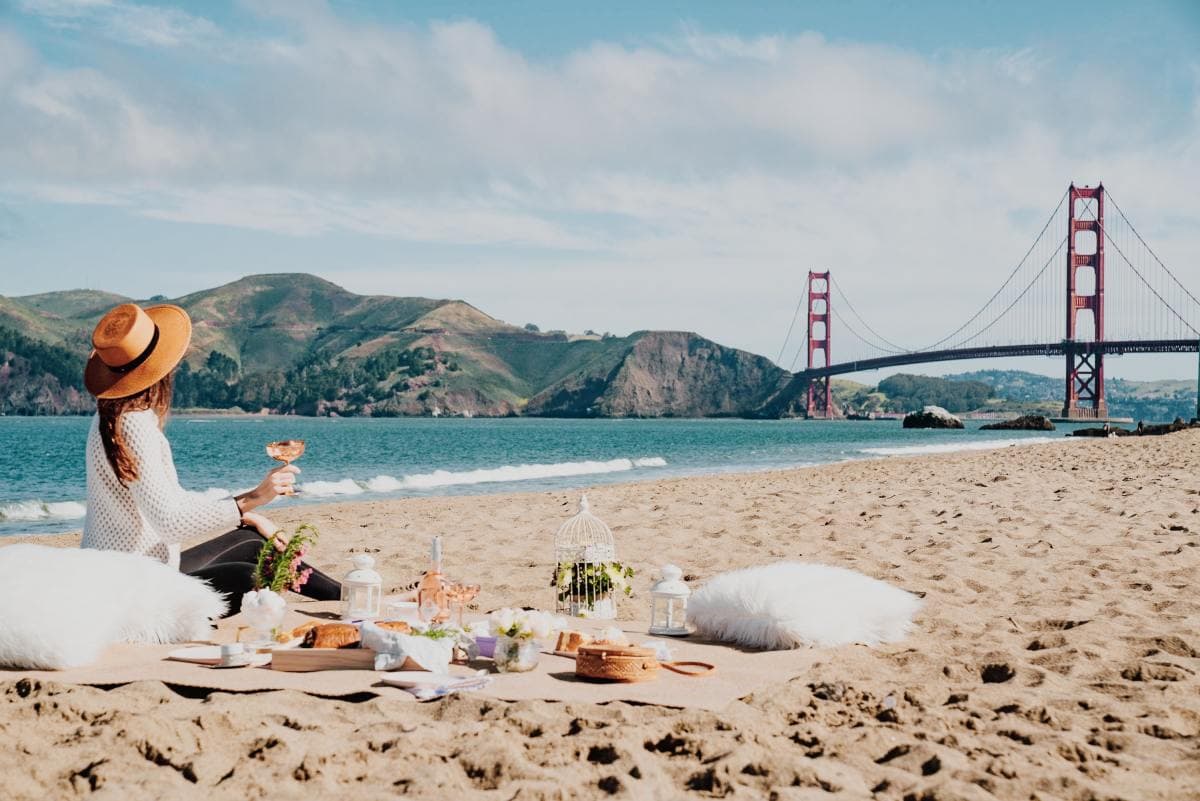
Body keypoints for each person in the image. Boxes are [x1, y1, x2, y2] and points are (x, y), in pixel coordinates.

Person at [80, 302, 340, 614]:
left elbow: (172, 502)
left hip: (121, 577)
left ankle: (348, 596)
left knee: (253, 542)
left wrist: (243, 511)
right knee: (250, 576)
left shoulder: (111, 417)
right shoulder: (134, 424)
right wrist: (254, 498)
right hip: (135, 591)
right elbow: (172, 524)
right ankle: (353, 597)